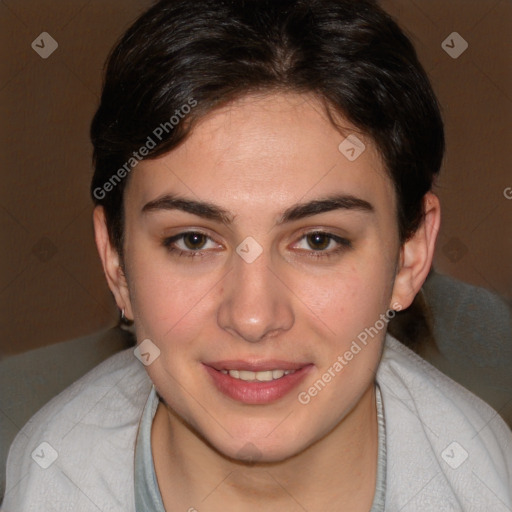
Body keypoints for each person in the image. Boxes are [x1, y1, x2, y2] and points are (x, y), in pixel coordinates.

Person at [2, 0, 511, 510]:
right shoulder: (47, 479)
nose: (252, 316)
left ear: (409, 256)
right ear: (116, 261)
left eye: (318, 241)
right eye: (193, 241)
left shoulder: (484, 485)